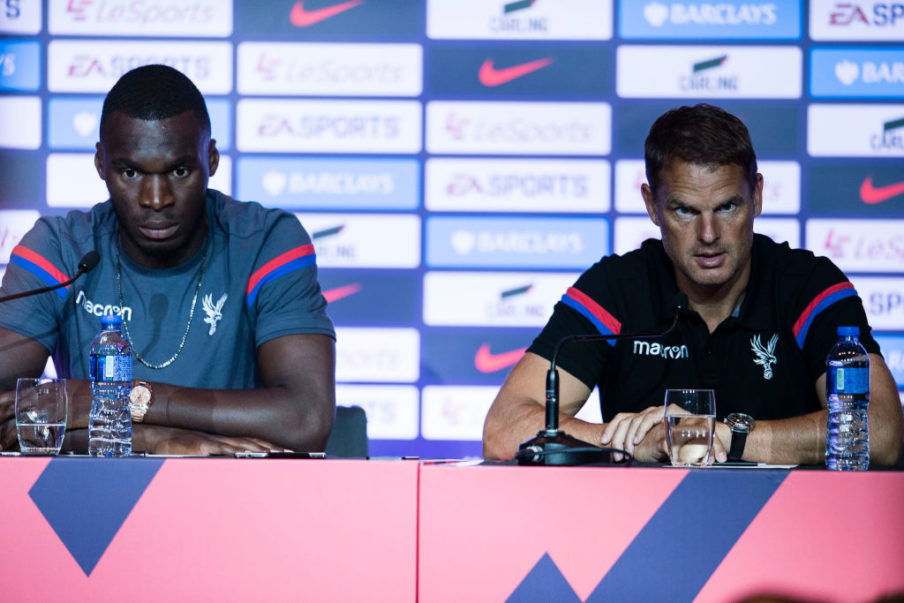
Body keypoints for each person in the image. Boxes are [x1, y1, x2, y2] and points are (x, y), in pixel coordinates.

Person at [483, 103, 903, 466]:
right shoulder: (617, 287)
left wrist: (721, 436)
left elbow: (881, 432)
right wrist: (632, 444)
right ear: (652, 205)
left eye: (728, 206)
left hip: (795, 532)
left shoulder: (809, 285)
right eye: (684, 211)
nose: (708, 234)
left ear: (756, 195)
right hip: (643, 535)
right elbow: (503, 430)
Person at [0, 65, 336, 455]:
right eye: (130, 172)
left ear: (210, 159)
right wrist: (154, 439)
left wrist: (120, 402)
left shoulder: (266, 241)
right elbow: (6, 420)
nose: (156, 199)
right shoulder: (59, 249)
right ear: (100, 164)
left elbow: (306, 420)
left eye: (179, 170)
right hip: (91, 503)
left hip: (238, 499)